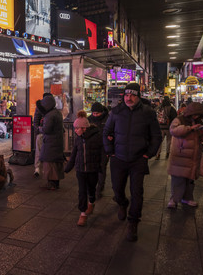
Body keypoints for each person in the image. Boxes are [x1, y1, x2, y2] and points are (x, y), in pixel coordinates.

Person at [103, 83, 162, 242]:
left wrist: (148, 154)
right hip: (118, 159)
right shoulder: (116, 112)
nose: (129, 98)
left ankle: (133, 221)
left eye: (133, 95)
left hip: (138, 160)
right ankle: (122, 203)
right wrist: (110, 151)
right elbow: (106, 132)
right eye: (127, 95)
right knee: (117, 189)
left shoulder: (148, 113)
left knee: (137, 192)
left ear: (138, 96)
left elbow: (157, 136)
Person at [167, 102, 203, 208]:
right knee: (178, 179)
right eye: (195, 114)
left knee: (190, 180)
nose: (196, 116)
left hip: (193, 156)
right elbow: (173, 130)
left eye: (199, 115)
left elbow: (202, 137)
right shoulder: (179, 120)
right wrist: (190, 128)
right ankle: (174, 200)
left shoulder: (198, 121)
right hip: (181, 154)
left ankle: (187, 198)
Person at [65, 111, 102, 226]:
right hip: (80, 169)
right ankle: (83, 214)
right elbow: (74, 154)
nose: (75, 130)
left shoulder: (96, 138)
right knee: (82, 192)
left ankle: (92, 201)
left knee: (91, 189)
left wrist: (101, 167)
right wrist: (67, 168)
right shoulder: (78, 139)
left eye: (77, 128)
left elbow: (102, 153)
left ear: (84, 128)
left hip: (92, 169)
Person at [33, 93, 69, 178]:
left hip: (48, 136)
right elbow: (37, 122)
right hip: (43, 134)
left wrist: (39, 129)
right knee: (40, 151)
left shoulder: (52, 112)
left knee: (45, 153)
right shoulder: (47, 110)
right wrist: (38, 129)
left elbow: (47, 127)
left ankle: (43, 171)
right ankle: (38, 168)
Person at [38, 94, 65, 190]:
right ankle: (55, 183)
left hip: (50, 143)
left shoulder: (50, 115)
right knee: (55, 164)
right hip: (57, 142)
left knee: (49, 164)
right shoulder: (57, 112)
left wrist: (40, 128)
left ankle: (51, 184)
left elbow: (47, 129)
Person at [88, 102, 109, 198]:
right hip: (92, 147)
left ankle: (99, 188)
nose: (95, 115)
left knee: (102, 167)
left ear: (101, 112)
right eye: (94, 113)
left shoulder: (108, 119)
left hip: (104, 148)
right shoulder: (89, 119)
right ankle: (92, 186)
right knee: (92, 167)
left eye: (97, 113)